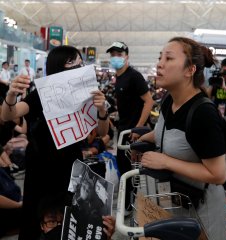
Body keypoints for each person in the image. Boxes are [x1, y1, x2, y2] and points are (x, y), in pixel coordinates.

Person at [1, 45, 110, 240]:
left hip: (70, 166)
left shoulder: (88, 94)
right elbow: (10, 113)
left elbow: (102, 132)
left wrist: (102, 110)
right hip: (41, 168)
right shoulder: (43, 95)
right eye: (71, 62)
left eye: (79, 63)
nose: (77, 66)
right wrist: (10, 96)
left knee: (68, 219)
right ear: (57, 66)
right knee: (38, 217)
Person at [138, 37, 226, 239]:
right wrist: (146, 137)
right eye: (160, 57)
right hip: (174, 200)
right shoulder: (169, 100)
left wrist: (166, 162)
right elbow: (167, 132)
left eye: (168, 58)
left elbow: (218, 174)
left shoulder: (203, 113)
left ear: (190, 70)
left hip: (201, 213)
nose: (159, 63)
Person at [106, 41, 153, 214]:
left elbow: (149, 101)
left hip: (132, 132)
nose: (115, 58)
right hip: (123, 129)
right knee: (124, 168)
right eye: (112, 54)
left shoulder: (134, 76)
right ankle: (127, 203)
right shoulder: (119, 77)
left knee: (130, 170)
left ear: (126, 56)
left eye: (119, 54)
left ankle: (128, 206)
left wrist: (138, 129)